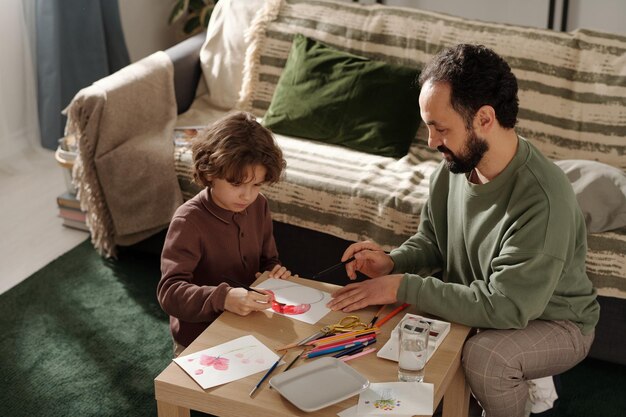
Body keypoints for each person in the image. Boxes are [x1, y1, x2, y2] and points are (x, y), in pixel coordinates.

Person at [327, 44, 599, 417]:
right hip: (490, 301)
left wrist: (404, 286)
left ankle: (522, 386)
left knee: (486, 357)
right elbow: (433, 241)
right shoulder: (455, 165)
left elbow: (508, 306)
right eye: (428, 126)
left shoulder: (543, 199)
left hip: (553, 320)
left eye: (440, 128)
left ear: (484, 119)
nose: (431, 141)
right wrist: (392, 264)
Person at [158, 111, 293, 357]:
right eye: (236, 184)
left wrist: (274, 271)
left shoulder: (258, 205)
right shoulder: (188, 221)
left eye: (256, 185)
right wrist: (224, 297)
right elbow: (170, 292)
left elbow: (268, 259)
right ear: (210, 172)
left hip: (249, 324)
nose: (247, 196)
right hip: (199, 338)